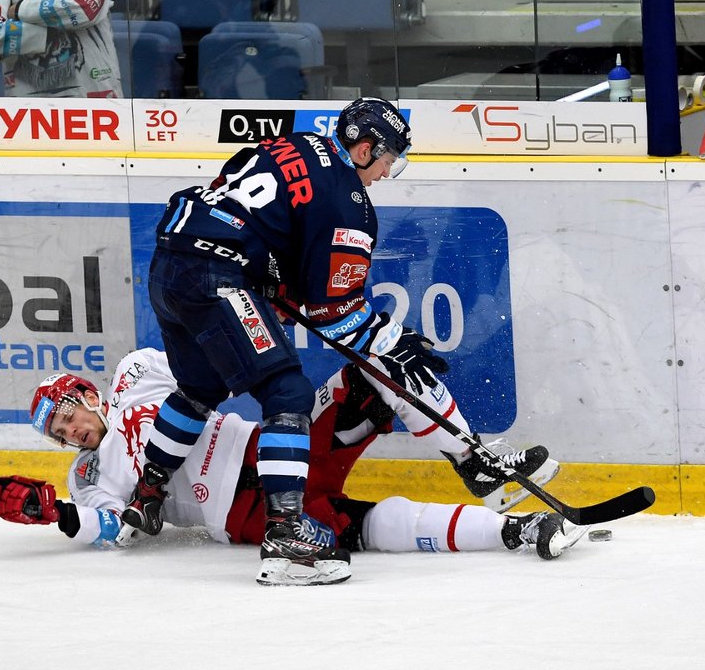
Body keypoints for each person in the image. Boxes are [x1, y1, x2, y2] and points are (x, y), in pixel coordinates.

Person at [117, 97, 557, 586]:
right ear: (365, 149)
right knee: (288, 394)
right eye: (389, 160)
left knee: (198, 390)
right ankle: (286, 535)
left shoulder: (294, 144)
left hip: (168, 267)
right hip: (218, 279)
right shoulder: (348, 202)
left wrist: (268, 278)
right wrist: (392, 337)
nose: (387, 174)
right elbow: (335, 313)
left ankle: (146, 496)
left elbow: (236, 200)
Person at [0, 349, 586, 574]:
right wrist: (61, 516)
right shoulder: (86, 478)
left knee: (374, 368)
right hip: (246, 515)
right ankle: (518, 530)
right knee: (369, 527)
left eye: (68, 414)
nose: (71, 431)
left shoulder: (136, 371)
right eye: (60, 433)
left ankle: (477, 460)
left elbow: (208, 365)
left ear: (85, 393)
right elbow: (116, 531)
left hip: (277, 445)